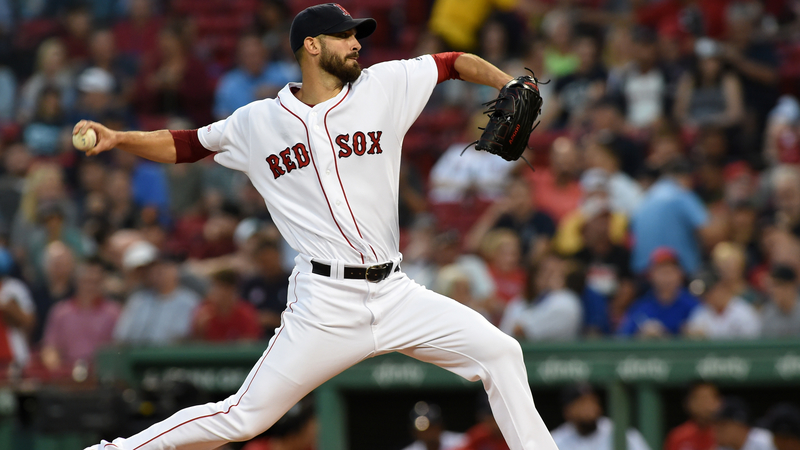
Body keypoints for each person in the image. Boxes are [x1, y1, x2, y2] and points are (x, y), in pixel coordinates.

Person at [78, 4, 558, 450]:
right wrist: (119, 138)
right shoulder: (258, 122)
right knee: (243, 418)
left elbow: (451, 61)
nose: (356, 45)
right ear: (312, 45)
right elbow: (185, 144)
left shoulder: (383, 87)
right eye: (345, 36)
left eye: (358, 37)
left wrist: (507, 84)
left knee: (500, 353)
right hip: (324, 304)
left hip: (396, 292)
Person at [630, 158, 710, 275]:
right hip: (677, 274)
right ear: (687, 177)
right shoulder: (680, 193)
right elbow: (709, 233)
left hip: (643, 273)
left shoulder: (646, 198)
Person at [40, 258, 120, 373]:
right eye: (86, 281)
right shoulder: (60, 312)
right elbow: (50, 348)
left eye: (95, 282)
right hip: (67, 375)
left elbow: (118, 348)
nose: (90, 286)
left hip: (101, 374)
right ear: (77, 281)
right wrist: (57, 368)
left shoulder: (114, 313)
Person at [113, 252, 200, 346]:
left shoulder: (190, 301)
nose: (157, 273)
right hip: (138, 356)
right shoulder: (138, 299)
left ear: (174, 270)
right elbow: (122, 336)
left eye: (162, 269)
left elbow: (185, 337)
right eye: (153, 270)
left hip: (173, 357)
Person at [618, 247, 700, 338]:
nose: (666, 278)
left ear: (680, 274)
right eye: (661, 272)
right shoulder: (641, 307)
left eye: (670, 272)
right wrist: (640, 334)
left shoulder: (694, 306)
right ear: (651, 275)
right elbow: (623, 337)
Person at [550, 383, 651, 450]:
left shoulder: (619, 433)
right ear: (567, 411)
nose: (589, 409)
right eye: (582, 404)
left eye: (591, 401)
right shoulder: (556, 440)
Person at [192, 268, 262, 342]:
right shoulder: (204, 312)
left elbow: (251, 343)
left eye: (219, 287)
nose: (214, 291)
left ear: (230, 290)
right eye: (213, 287)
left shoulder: (246, 313)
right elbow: (195, 344)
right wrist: (200, 329)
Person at [664, 381, 721, 450]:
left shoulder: (725, 434)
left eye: (708, 398)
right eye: (700, 399)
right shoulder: (678, 436)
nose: (705, 404)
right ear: (689, 403)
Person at [760, 265, 800, 338]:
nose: (772, 291)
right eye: (770, 287)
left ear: (790, 286)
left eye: (777, 285)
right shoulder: (768, 313)